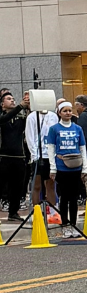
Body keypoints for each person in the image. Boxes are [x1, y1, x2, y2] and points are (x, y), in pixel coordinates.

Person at [46, 102, 87, 238]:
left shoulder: (78, 128)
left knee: (74, 198)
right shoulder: (54, 129)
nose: (68, 113)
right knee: (64, 198)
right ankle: (65, 226)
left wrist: (84, 168)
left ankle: (74, 225)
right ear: (59, 113)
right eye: (65, 110)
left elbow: (82, 148)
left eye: (70, 110)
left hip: (76, 166)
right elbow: (51, 148)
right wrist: (53, 168)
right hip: (61, 167)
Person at [25, 104, 59, 224]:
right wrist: (34, 155)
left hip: (50, 155)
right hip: (38, 156)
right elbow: (29, 136)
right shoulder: (32, 117)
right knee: (37, 186)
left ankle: (53, 212)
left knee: (50, 184)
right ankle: (36, 212)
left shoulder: (53, 116)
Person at [0, 91, 30, 221]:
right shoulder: (2, 117)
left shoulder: (21, 118)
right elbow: (4, 119)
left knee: (17, 186)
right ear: (2, 104)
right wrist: (20, 106)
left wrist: (29, 102)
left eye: (13, 98)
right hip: (3, 156)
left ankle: (13, 212)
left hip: (19, 156)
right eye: (8, 99)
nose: (12, 100)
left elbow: (31, 121)